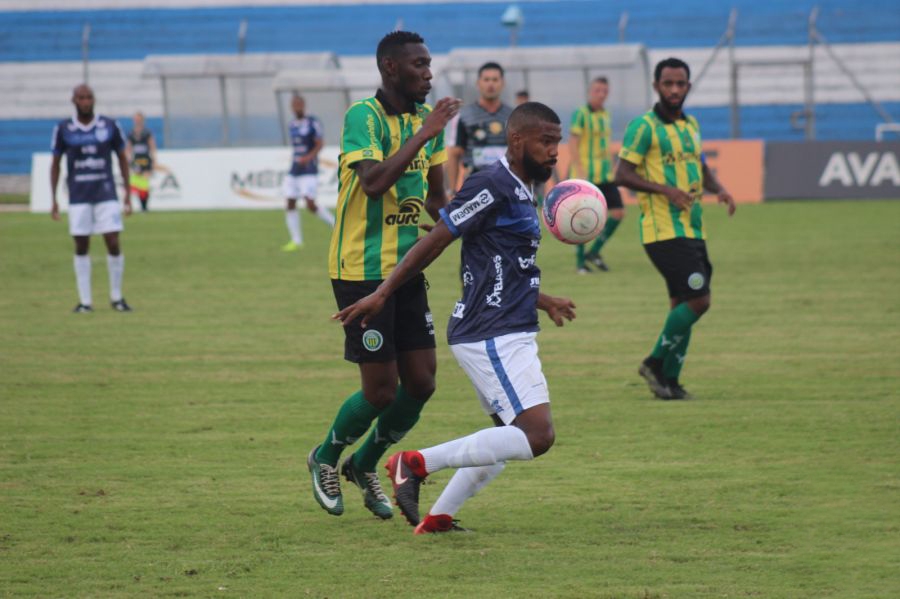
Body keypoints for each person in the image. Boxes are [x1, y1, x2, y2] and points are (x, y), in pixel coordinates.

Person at [335, 102, 576, 534]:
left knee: (507, 437)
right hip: (491, 331)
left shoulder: (523, 186)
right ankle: (414, 463)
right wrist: (383, 292)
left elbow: (502, 262)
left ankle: (438, 516)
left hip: (507, 325)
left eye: (557, 141)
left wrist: (544, 299)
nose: (554, 151)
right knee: (537, 436)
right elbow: (440, 238)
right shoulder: (492, 184)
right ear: (517, 140)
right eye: (545, 141)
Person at [307, 31, 461, 520]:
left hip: (407, 266)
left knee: (422, 382)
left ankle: (365, 463)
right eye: (419, 64)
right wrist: (427, 130)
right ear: (390, 68)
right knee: (380, 390)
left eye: (430, 64)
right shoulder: (363, 117)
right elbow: (372, 183)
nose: (429, 73)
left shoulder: (423, 122)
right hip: (360, 271)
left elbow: (436, 200)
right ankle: (325, 456)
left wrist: (474, 220)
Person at [614, 58, 736, 400]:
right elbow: (622, 174)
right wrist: (666, 190)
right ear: (656, 86)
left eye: (680, 84)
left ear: (688, 87)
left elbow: (700, 165)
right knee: (700, 300)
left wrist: (719, 188)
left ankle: (669, 382)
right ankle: (654, 362)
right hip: (663, 231)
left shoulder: (691, 125)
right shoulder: (643, 127)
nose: (674, 90)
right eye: (668, 83)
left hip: (692, 228)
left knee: (680, 305)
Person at [50, 84, 133, 313]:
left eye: (89, 98)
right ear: (74, 100)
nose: (86, 102)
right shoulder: (64, 128)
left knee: (113, 241)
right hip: (78, 195)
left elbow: (122, 159)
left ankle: (116, 297)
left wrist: (127, 192)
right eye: (81, 98)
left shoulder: (108, 125)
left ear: (94, 100)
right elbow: (55, 163)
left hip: (106, 192)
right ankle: (85, 301)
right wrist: (54, 198)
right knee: (81, 244)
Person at [569, 77, 624, 273]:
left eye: (604, 91)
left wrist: (612, 167)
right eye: (597, 90)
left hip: (605, 174)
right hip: (586, 174)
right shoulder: (581, 114)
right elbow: (573, 142)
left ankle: (594, 251)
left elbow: (604, 145)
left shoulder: (606, 114)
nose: (601, 94)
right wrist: (579, 169)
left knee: (618, 213)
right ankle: (579, 263)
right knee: (582, 218)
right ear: (590, 91)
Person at [446, 62, 514, 193]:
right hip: (475, 183)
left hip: (508, 183)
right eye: (486, 79)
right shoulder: (463, 116)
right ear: (478, 83)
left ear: (503, 83)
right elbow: (454, 154)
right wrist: (452, 191)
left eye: (495, 80)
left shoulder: (513, 115)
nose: (490, 84)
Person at [281, 94, 335, 251]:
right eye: (294, 105)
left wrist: (308, 157)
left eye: (299, 104)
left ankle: (335, 225)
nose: (296, 107)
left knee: (310, 204)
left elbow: (320, 143)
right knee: (290, 202)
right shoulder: (292, 125)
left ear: (304, 105)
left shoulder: (313, 122)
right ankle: (296, 240)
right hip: (294, 170)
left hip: (309, 169)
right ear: (291, 107)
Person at [125, 111, 157, 212]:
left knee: (144, 184)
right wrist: (128, 159)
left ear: (142, 120)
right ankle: (141, 206)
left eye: (139, 119)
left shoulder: (147, 132)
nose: (137, 121)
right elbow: (128, 147)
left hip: (146, 159)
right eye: (135, 119)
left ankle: (144, 206)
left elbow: (152, 146)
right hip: (136, 160)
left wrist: (154, 159)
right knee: (138, 184)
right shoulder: (131, 133)